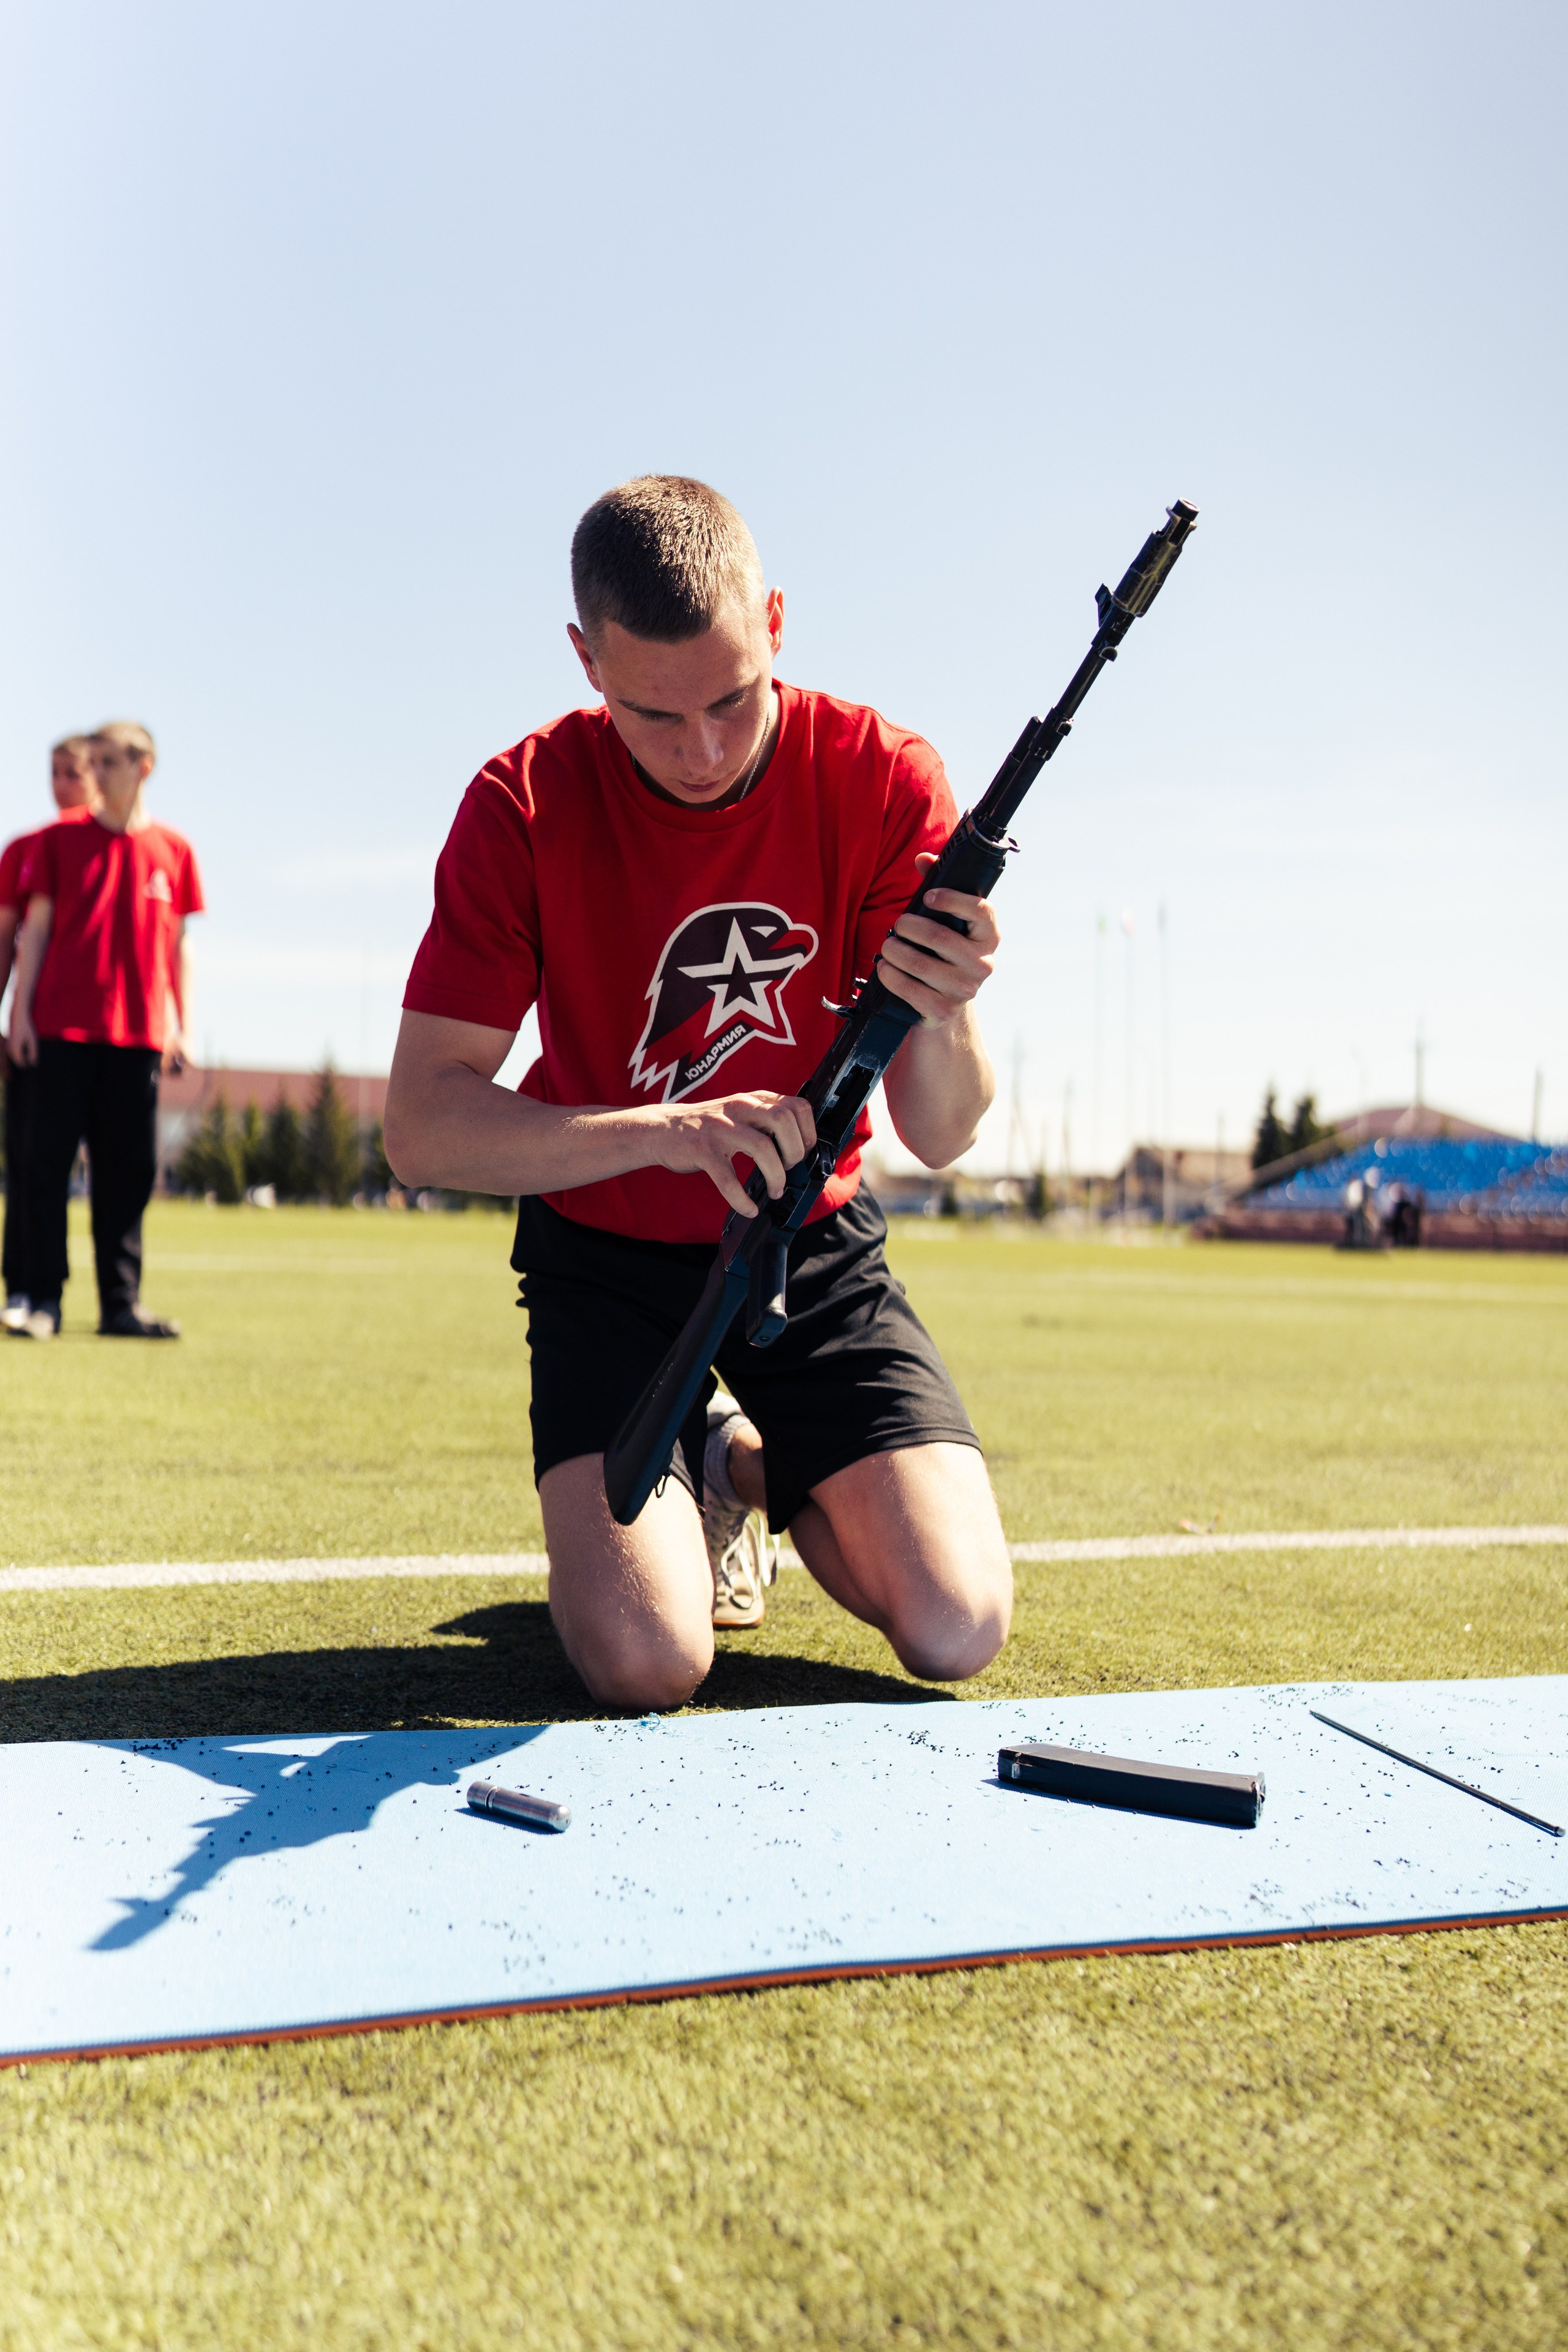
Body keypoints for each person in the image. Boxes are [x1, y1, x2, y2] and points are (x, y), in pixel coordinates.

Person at [385, 476, 1013, 1710]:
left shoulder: (884, 778)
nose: (702, 752)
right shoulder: (520, 803)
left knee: (957, 1624)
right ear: (583, 661)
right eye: (650, 715)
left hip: (810, 1242)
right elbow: (421, 1128)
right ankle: (703, 1462)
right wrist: (671, 1134)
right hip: (604, 1262)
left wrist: (943, 1004)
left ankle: (737, 1469)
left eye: (732, 699)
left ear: (775, 619)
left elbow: (941, 1131)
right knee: (646, 1664)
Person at [6, 720, 202, 1340]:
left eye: (108, 762)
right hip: (61, 1030)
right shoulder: (60, 841)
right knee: (44, 1168)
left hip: (138, 1039)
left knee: (128, 1172)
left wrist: (182, 1024)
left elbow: (179, 949)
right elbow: (32, 933)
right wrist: (20, 1016)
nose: (96, 774)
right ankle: (41, 1299)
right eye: (91, 762)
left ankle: (121, 1304)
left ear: (143, 766)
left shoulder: (175, 851)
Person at [0, 737, 99, 1329]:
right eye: (54, 772)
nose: (63, 783)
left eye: (75, 772)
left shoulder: (124, 851)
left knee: (119, 1172)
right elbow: (9, 939)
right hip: (39, 1032)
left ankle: (116, 1300)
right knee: (32, 1163)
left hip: (108, 1039)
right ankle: (28, 1291)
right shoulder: (27, 850)